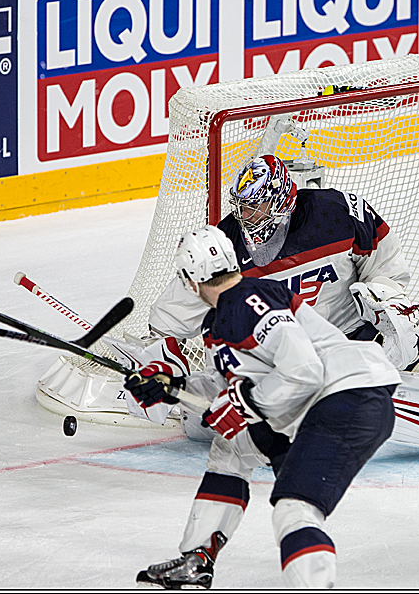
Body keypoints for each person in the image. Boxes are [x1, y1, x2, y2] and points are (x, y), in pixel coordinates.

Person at [125, 226, 400, 588]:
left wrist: (248, 402)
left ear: (190, 281)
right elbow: (230, 386)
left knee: (294, 509)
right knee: (232, 447)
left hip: (345, 399)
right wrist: (172, 387)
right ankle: (196, 560)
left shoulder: (248, 301)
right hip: (325, 403)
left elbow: (303, 370)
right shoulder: (227, 313)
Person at [148, 130, 419, 376]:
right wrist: (159, 360)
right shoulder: (225, 243)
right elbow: (170, 317)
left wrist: (388, 306)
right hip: (277, 359)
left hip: (352, 338)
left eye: (254, 207)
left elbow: (386, 265)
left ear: (280, 200)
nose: (244, 216)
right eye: (241, 206)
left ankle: (399, 362)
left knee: (391, 309)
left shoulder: (337, 214)